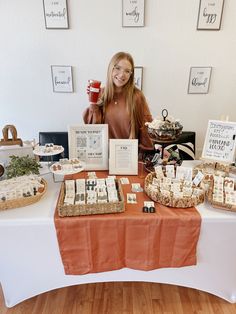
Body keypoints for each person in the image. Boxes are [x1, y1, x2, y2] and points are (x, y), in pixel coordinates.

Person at [83, 51, 153, 151]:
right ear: (111, 68)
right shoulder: (101, 93)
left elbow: (146, 128)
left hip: (128, 156)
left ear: (131, 74)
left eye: (127, 71)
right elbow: (93, 131)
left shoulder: (137, 96)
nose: (122, 75)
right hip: (105, 156)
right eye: (118, 68)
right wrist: (94, 104)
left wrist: (147, 153)